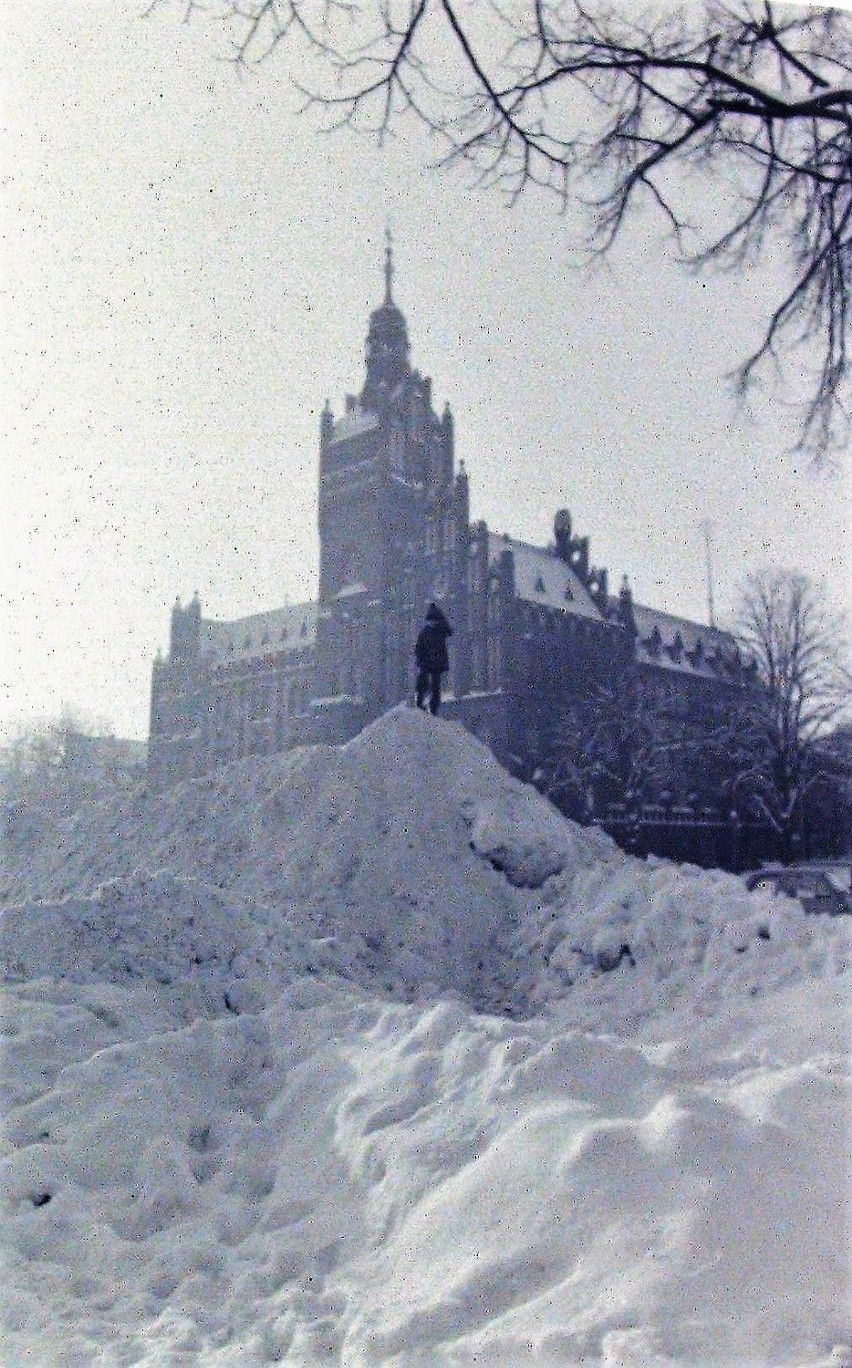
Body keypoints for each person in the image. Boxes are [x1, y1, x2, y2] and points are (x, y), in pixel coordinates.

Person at [415, 602, 453, 715]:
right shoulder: (425, 633)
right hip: (427, 664)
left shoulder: (440, 631)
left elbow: (449, 631)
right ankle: (420, 703)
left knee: (435, 688)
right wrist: (421, 660)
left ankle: (432, 708)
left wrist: (442, 618)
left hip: (435, 665)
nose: (433, 623)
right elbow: (419, 649)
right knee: (423, 684)